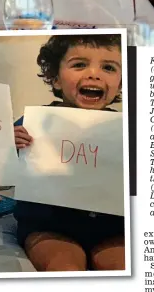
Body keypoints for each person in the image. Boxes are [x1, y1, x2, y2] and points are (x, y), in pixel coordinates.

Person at [14, 34, 125, 272]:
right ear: (55, 78)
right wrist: (9, 143)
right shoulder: (34, 123)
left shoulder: (126, 129)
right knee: (64, 267)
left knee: (122, 267)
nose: (94, 74)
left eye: (108, 67)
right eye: (79, 65)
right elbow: (0, 162)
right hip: (48, 226)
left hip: (113, 228)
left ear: (121, 82)